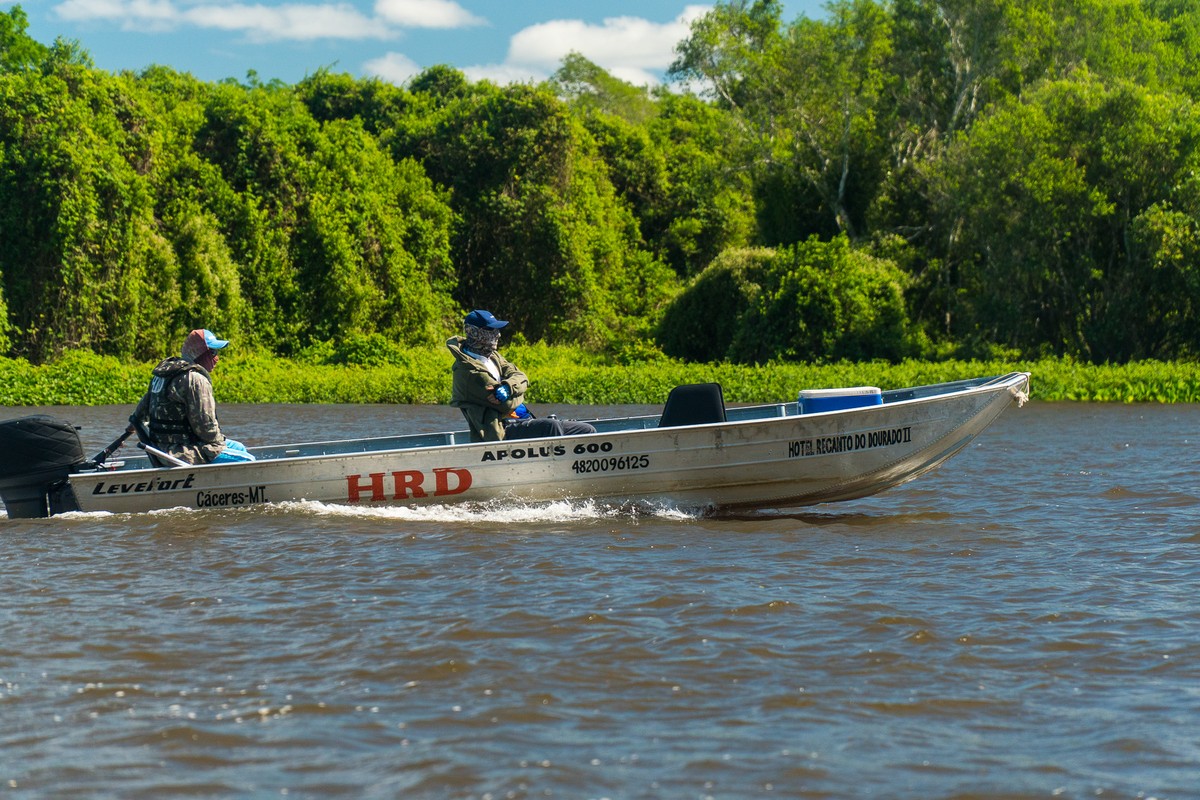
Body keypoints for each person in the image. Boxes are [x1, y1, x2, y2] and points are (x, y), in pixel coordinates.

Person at [448, 310, 596, 443]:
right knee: (551, 426)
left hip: (521, 420)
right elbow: (506, 405)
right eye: (491, 330)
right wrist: (519, 391)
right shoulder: (468, 372)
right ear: (475, 333)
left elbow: (521, 376)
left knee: (585, 430)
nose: (498, 334)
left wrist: (508, 387)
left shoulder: (493, 357)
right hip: (501, 430)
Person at [129, 328, 256, 465]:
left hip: (160, 448)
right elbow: (208, 433)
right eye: (212, 352)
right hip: (181, 452)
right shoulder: (195, 380)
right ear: (199, 353)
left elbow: (138, 416)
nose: (217, 358)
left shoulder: (163, 376)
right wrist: (219, 445)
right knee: (248, 460)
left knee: (239, 447)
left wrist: (129, 429)